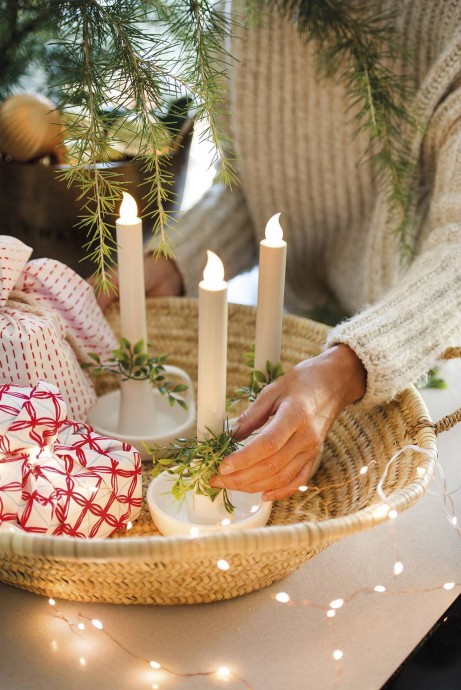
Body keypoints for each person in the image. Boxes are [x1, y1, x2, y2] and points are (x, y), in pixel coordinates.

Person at [97, 1, 461, 502]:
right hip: (299, 343)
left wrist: (346, 369)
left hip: (422, 351)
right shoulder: (245, 10)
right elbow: (253, 189)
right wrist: (174, 261)